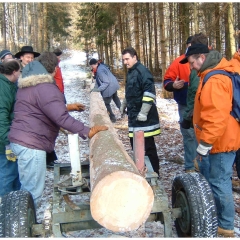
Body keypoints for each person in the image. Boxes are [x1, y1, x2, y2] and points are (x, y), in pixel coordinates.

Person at [8, 52, 108, 208]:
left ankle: (21, 220)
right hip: (31, 144)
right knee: (32, 192)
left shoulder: (29, 84)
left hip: (21, 139)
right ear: (55, 69)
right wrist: (86, 131)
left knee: (26, 189)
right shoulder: (45, 87)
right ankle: (24, 227)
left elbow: (39, 108)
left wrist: (68, 107)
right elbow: (60, 118)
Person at [180, 43, 240, 237]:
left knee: (219, 182)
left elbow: (216, 118)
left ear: (202, 58)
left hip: (220, 143)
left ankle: (225, 226)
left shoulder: (214, 80)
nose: (191, 67)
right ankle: (219, 219)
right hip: (219, 141)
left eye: (192, 63)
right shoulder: (210, 74)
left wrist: (204, 146)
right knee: (217, 181)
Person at [121, 47, 161, 176]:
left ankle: (154, 173)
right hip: (134, 118)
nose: (125, 62)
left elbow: (149, 93)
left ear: (134, 57)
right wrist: (124, 104)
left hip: (145, 120)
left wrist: (143, 112)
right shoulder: (131, 72)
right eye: (123, 60)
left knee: (148, 148)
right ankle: (141, 172)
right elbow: (131, 92)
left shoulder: (142, 71)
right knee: (136, 147)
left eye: (127, 59)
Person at [180, 33, 211, 181]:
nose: (191, 66)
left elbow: (194, 94)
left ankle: (194, 168)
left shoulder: (208, 73)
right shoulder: (209, 67)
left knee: (195, 142)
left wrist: (187, 116)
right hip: (201, 118)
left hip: (203, 121)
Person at [163, 36, 197, 172]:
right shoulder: (179, 62)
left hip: (203, 105)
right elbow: (166, 81)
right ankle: (190, 166)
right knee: (188, 134)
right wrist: (173, 85)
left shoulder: (209, 60)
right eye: (188, 46)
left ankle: (203, 165)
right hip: (185, 104)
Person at [0, 60, 21, 197]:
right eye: (19, 71)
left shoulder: (9, 85)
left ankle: (15, 206)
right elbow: (1, 118)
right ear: (13, 72)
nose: (20, 74)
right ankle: (6, 209)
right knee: (7, 175)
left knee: (14, 174)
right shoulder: (3, 88)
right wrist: (7, 142)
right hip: (4, 142)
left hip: (10, 137)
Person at [89, 58, 121, 123]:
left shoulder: (100, 71)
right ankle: (123, 112)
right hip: (114, 85)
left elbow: (106, 82)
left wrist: (98, 89)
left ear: (95, 65)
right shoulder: (101, 66)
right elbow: (98, 81)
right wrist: (95, 88)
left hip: (110, 87)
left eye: (92, 66)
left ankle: (112, 118)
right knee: (116, 98)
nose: (92, 68)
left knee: (106, 103)